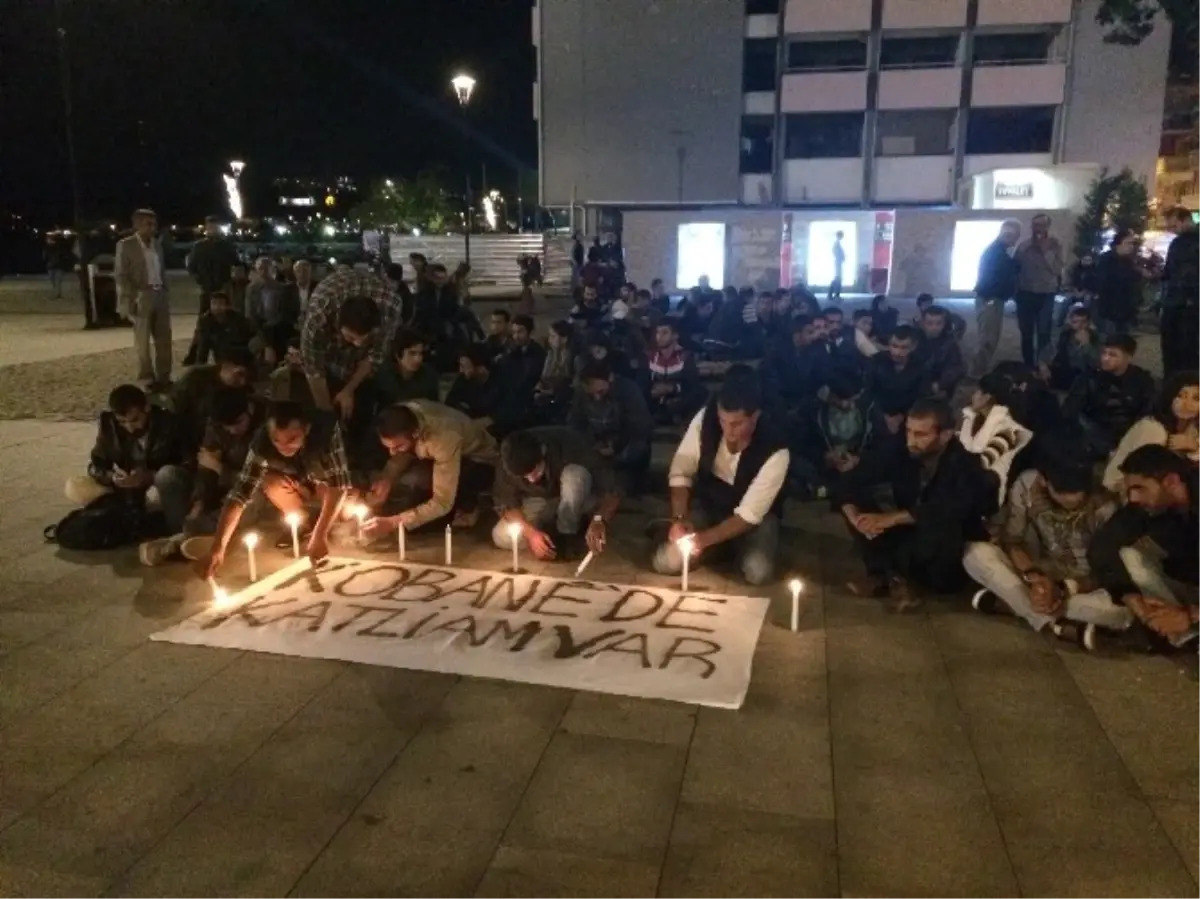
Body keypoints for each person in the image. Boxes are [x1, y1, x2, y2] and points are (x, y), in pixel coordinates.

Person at [838, 399, 998, 609]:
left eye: (921, 434)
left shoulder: (965, 463)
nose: (910, 440)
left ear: (945, 435)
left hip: (944, 552)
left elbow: (948, 509)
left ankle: (895, 577)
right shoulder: (903, 450)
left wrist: (892, 518)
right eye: (909, 431)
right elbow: (854, 478)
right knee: (861, 504)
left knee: (940, 527)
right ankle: (889, 576)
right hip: (909, 534)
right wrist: (855, 516)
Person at [963, 463, 1132, 650]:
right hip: (1037, 569)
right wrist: (1035, 577)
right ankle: (1056, 625)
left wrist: (1063, 589)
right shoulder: (1029, 483)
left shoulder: (1106, 503)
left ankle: (1011, 604)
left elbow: (1107, 571)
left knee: (1122, 612)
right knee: (975, 553)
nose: (1071, 500)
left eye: (1078, 493)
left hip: (1081, 585)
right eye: (1061, 493)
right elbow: (1013, 540)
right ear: (1044, 481)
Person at [654, 368, 789, 586]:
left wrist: (703, 540)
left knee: (758, 571)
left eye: (736, 424)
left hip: (755, 521)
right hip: (712, 507)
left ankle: (727, 547)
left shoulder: (775, 449)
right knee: (665, 562)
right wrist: (679, 519)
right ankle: (720, 548)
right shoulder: (706, 418)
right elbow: (681, 471)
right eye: (723, 421)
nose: (728, 431)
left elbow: (749, 515)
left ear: (754, 416)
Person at [199, 401, 353, 575]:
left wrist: (320, 534)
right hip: (296, 484)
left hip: (324, 483)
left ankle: (321, 523)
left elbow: (339, 485)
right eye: (276, 440)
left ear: (307, 430)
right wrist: (217, 548)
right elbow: (239, 494)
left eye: (292, 439)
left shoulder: (326, 431)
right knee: (269, 480)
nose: (283, 447)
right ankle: (304, 521)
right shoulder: (261, 443)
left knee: (346, 509)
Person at [138, 386, 268, 566]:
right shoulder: (215, 426)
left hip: (246, 487)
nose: (232, 430)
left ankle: (182, 542)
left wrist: (219, 468)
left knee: (254, 500)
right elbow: (205, 470)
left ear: (250, 409)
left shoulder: (265, 426)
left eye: (237, 423)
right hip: (220, 488)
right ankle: (189, 537)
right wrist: (199, 502)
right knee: (167, 476)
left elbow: (256, 480)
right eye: (226, 426)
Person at [1088, 445, 1200, 649]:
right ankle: (1177, 632)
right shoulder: (1149, 506)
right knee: (1129, 556)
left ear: (1171, 482)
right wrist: (1133, 599)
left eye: (1140, 488)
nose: (1133, 498)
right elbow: (1102, 546)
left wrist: (1191, 616)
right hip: (1185, 587)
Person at [65, 384, 189, 531]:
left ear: (147, 408)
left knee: (166, 477)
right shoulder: (109, 425)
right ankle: (133, 516)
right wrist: (113, 477)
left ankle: (169, 525)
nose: (130, 428)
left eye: (135, 420)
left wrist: (150, 476)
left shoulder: (168, 423)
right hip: (128, 489)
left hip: (160, 486)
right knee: (74, 486)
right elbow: (96, 465)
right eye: (122, 422)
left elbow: (189, 464)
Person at [362, 401, 498, 533]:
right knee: (403, 485)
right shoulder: (401, 416)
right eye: (388, 447)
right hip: (434, 453)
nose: (392, 453)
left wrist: (393, 522)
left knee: (415, 485)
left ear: (415, 434)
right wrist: (387, 478)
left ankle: (469, 505)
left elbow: (442, 502)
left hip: (477, 460)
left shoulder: (443, 438)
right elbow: (403, 451)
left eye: (397, 447)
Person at [491, 426, 621, 561]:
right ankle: (549, 537)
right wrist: (531, 534)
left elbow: (613, 489)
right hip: (538, 500)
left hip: (578, 496)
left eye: (535, 470)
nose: (532, 479)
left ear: (543, 450)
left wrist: (599, 519)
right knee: (501, 536)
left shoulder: (570, 443)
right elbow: (505, 503)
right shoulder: (507, 460)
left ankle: (568, 534)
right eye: (525, 476)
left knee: (574, 476)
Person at [297, 268, 401, 436]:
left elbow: (374, 356)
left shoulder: (391, 307)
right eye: (351, 338)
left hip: (360, 369)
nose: (358, 344)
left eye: (364, 339)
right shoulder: (319, 315)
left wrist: (349, 389)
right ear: (339, 324)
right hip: (330, 359)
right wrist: (328, 418)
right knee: (323, 419)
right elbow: (314, 368)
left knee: (360, 414)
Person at [1103, 371, 1200, 492]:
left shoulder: (1192, 429)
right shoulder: (1153, 429)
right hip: (1125, 487)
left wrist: (1195, 449)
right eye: (1181, 396)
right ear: (1170, 397)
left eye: (1196, 398)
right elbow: (1142, 475)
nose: (1187, 404)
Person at [1063, 333, 1155, 459]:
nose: (1105, 358)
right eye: (1104, 353)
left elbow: (1147, 413)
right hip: (1097, 436)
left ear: (1128, 357)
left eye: (1113, 355)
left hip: (1129, 435)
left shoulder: (1142, 380)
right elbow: (1071, 411)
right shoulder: (1089, 378)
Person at [570, 357, 653, 492]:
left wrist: (616, 446)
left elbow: (640, 426)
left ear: (611, 378)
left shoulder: (629, 391)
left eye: (600, 392)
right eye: (592, 394)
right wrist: (593, 444)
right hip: (597, 442)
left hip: (625, 443)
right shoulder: (581, 395)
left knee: (638, 449)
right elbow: (576, 424)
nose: (597, 398)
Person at [795, 373, 881, 498]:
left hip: (858, 460)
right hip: (825, 463)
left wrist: (859, 459)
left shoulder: (869, 407)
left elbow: (879, 441)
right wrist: (824, 456)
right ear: (829, 393)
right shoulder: (812, 409)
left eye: (849, 399)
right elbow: (802, 443)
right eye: (839, 399)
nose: (844, 404)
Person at [115, 208, 172, 390]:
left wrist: (165, 290)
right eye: (148, 224)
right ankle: (147, 375)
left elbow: (161, 269)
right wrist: (130, 298)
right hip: (142, 294)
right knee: (142, 340)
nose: (153, 227)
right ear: (137, 225)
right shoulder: (126, 245)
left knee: (164, 338)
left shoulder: (156, 244)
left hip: (159, 293)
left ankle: (164, 376)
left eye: (154, 223)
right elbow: (121, 274)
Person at [958, 372, 1033, 504]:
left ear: (986, 397)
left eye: (977, 392)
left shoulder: (1007, 430)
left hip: (984, 494)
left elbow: (981, 463)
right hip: (965, 483)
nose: (973, 396)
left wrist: (969, 416)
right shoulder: (977, 420)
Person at [171, 347, 256, 458]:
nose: (243, 381)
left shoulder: (242, 386)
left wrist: (247, 416)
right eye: (239, 374)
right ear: (226, 365)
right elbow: (176, 416)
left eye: (246, 376)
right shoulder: (194, 379)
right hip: (195, 443)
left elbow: (256, 403)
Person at [184, 216, 240, 365]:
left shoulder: (226, 246)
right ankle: (196, 354)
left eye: (215, 226)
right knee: (202, 323)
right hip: (207, 289)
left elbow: (237, 263)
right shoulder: (199, 247)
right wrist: (200, 280)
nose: (213, 229)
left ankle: (225, 353)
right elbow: (191, 267)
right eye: (211, 226)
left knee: (226, 321)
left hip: (223, 288)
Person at [1013, 214, 1064, 367]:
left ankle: (1043, 366)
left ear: (1048, 227)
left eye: (1042, 225)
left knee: (1044, 332)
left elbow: (1057, 269)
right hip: (1025, 293)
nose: (1038, 228)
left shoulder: (1056, 245)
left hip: (1046, 294)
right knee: (1026, 332)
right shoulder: (1024, 245)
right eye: (1035, 225)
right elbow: (1015, 267)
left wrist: (1045, 251)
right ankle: (1028, 366)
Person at [972, 220, 1022, 376]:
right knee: (988, 338)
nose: (1015, 240)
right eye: (1015, 236)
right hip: (990, 299)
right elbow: (997, 278)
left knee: (988, 336)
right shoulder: (997, 253)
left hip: (991, 299)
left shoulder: (998, 251)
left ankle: (980, 369)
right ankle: (977, 373)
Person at [1160, 206, 1200, 377]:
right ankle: (1171, 384)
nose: (1172, 231)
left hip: (1191, 307)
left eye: (1174, 226)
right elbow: (1169, 272)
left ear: (1186, 220)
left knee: (1188, 350)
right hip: (1173, 304)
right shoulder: (1177, 243)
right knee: (1170, 348)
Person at [647, 319, 706, 424]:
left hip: (678, 402)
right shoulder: (651, 357)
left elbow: (692, 385)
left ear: (675, 335)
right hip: (655, 402)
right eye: (658, 332)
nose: (659, 337)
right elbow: (643, 382)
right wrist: (652, 390)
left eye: (664, 333)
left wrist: (672, 388)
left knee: (700, 393)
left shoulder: (685, 357)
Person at [246, 256, 301, 366]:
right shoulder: (251, 289)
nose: (264, 272)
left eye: (267, 268)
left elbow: (289, 315)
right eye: (261, 268)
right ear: (256, 271)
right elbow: (250, 314)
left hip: (281, 329)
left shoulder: (285, 289)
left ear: (274, 270)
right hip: (260, 329)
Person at [865, 325, 925, 418]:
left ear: (914, 346)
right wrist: (884, 417)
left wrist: (900, 417)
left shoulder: (920, 366)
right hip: (877, 417)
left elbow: (921, 397)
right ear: (889, 344)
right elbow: (869, 392)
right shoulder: (876, 361)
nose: (897, 352)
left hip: (908, 418)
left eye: (904, 347)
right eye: (894, 346)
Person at [1094, 228, 1144, 336]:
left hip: (1125, 312)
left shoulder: (1128, 261)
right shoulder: (1106, 260)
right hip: (1110, 311)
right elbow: (1102, 284)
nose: (1131, 246)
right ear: (1118, 244)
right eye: (1128, 243)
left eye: (1133, 243)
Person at [1039, 304, 1099, 390]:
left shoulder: (1096, 338)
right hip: (1065, 375)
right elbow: (1046, 353)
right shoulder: (1064, 336)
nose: (1080, 326)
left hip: (1085, 379)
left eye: (1083, 322)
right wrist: (1043, 366)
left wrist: (1086, 345)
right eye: (1076, 322)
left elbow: (1096, 364)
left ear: (1089, 323)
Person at [192, 290, 259, 366]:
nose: (217, 307)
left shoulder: (237, 318)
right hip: (221, 355)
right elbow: (203, 346)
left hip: (242, 351)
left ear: (227, 306)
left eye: (220, 303)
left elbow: (252, 332)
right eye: (214, 303)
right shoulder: (205, 321)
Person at [376, 328, 440, 406]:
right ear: (397, 355)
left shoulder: (429, 376)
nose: (418, 359)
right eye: (412, 353)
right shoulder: (384, 376)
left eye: (420, 353)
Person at [914, 305, 965, 400]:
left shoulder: (949, 344)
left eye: (939, 323)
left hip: (936, 388)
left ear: (944, 324)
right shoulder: (914, 339)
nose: (934, 327)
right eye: (929, 323)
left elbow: (957, 368)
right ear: (923, 323)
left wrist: (940, 384)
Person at [445, 346, 504, 424]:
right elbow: (448, 405)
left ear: (480, 367)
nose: (460, 370)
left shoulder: (499, 385)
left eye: (464, 366)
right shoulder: (462, 380)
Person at [534, 320, 576, 418]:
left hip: (563, 395)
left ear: (564, 339)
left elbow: (571, 381)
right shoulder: (550, 353)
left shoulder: (573, 357)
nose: (550, 339)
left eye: (553, 336)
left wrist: (553, 390)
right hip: (548, 390)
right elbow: (545, 375)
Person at [498, 314, 546, 396]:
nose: (516, 336)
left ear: (530, 332)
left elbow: (528, 378)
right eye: (514, 332)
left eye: (520, 332)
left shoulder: (537, 352)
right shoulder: (510, 349)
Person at [829, 231, 846, 301]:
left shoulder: (837, 243)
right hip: (838, 262)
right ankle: (835, 294)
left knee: (837, 278)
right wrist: (839, 257)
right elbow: (834, 251)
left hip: (838, 262)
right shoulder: (837, 243)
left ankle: (832, 294)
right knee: (838, 279)